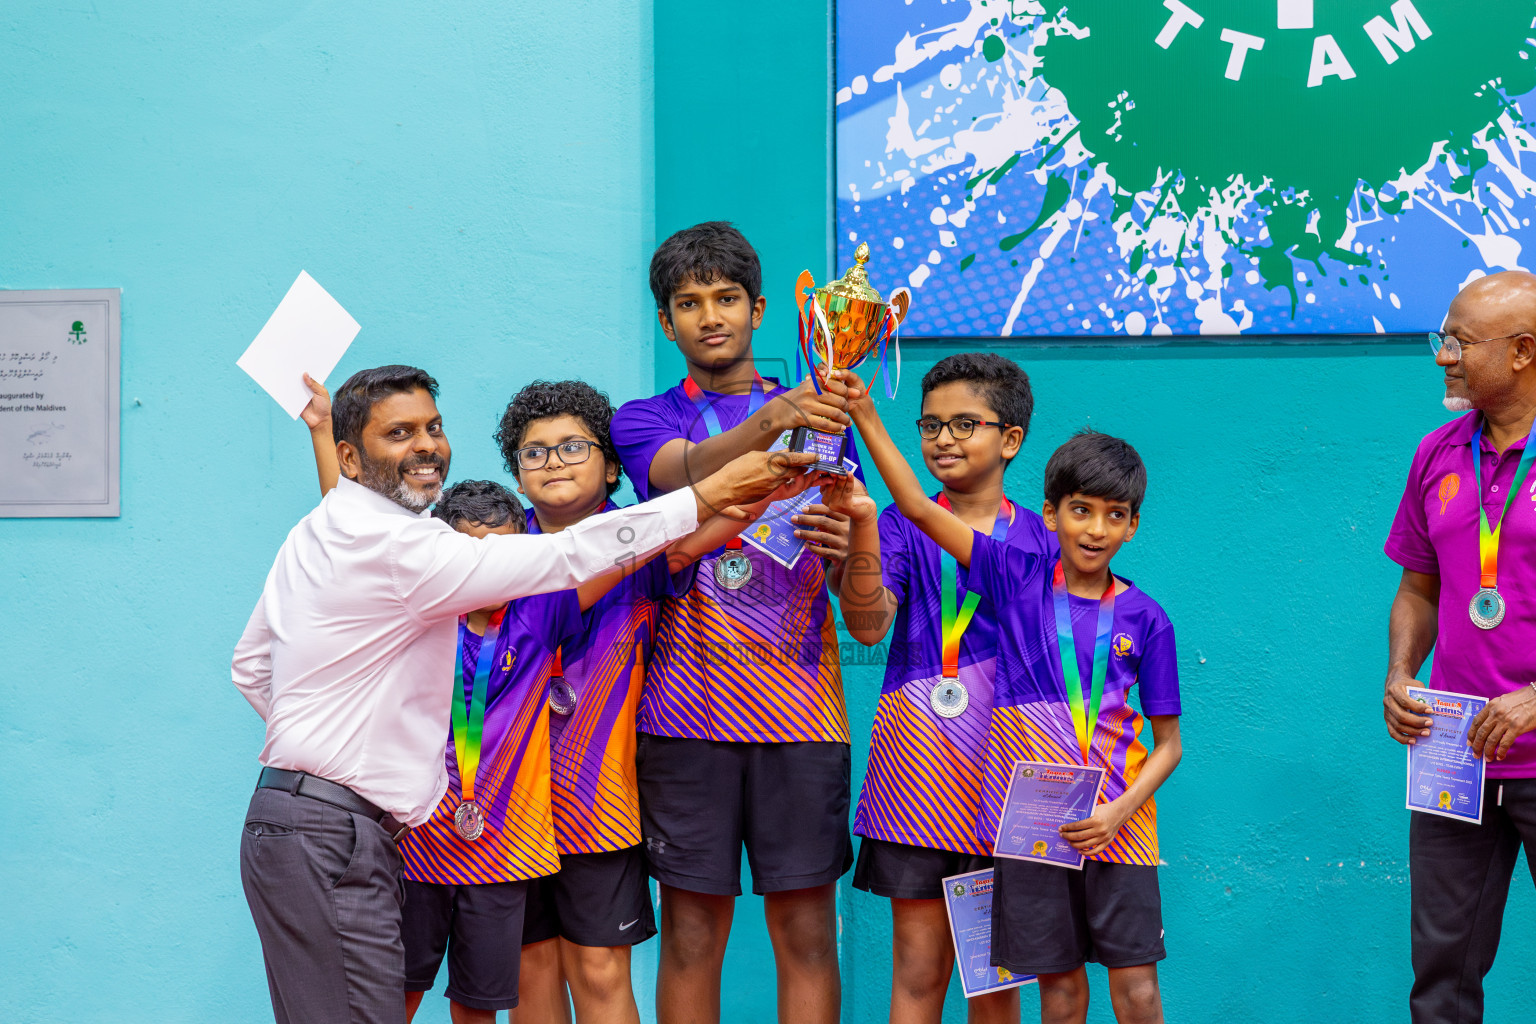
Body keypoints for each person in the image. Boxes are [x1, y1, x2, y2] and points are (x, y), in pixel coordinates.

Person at [232, 364, 817, 1024]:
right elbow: (566, 559)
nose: (426, 444)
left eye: (434, 426)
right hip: (339, 834)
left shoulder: (315, 533)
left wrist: (321, 754)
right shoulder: (414, 550)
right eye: (400, 432)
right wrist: (704, 494)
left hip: (303, 821)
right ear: (350, 452)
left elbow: (251, 667)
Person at [847, 374, 1182, 1024]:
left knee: (1022, 986)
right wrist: (863, 418)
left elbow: (1165, 737)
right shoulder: (970, 555)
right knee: (970, 980)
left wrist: (1121, 807)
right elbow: (910, 518)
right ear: (1057, 513)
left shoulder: (1103, 589)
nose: (1095, 528)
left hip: (1060, 817)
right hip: (934, 797)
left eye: (965, 423)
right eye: (931, 424)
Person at [609, 222, 857, 1024]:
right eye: (688, 303)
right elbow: (676, 475)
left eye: (725, 299)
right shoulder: (645, 421)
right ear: (665, 322)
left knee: (808, 931)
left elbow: (850, 541)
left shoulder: (826, 415)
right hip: (682, 716)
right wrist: (776, 417)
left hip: (803, 714)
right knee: (689, 934)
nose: (709, 316)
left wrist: (853, 540)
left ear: (758, 310)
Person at [835, 353, 1048, 1024]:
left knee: (994, 982)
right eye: (930, 425)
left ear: (1010, 439)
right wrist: (865, 525)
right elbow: (867, 626)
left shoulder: (1042, 542)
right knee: (920, 972)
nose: (944, 439)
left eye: (965, 423)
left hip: (1007, 789)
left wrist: (866, 418)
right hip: (918, 785)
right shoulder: (896, 525)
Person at [1382, 270, 1536, 1024]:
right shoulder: (1437, 453)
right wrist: (1400, 673)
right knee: (1440, 972)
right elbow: (1418, 587)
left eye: (1458, 343)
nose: (1443, 357)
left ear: (1522, 353)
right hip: (1456, 758)